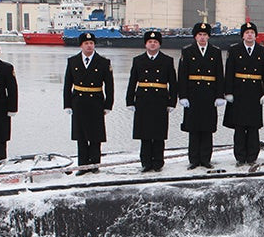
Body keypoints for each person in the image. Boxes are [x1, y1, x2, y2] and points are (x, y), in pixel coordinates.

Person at [63, 32, 114, 174]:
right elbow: (68, 84)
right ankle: (83, 165)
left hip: (96, 101)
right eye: (86, 43)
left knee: (95, 135)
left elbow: (109, 86)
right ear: (81, 45)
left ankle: (94, 164)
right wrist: (67, 104)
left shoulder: (103, 62)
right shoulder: (72, 61)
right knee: (81, 136)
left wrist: (108, 105)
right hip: (78, 101)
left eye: (91, 43)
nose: (89, 46)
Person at [126, 30, 177, 172]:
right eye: (150, 42)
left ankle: (158, 162)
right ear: (145, 44)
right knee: (145, 133)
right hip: (143, 100)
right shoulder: (138, 60)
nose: (152, 44)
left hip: (160, 100)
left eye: (155, 42)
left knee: (159, 133)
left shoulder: (167, 60)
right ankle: (146, 162)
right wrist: (130, 101)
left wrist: (172, 102)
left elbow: (173, 83)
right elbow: (132, 82)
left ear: (159, 44)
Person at [177, 22, 225, 169]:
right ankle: (194, 159)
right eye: (200, 35)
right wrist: (182, 96)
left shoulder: (215, 52)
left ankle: (205, 159)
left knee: (207, 128)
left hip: (209, 95)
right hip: (192, 95)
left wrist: (219, 95)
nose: (202, 38)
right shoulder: (187, 52)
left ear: (209, 36)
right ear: (195, 36)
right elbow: (182, 75)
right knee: (193, 128)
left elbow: (219, 75)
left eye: (205, 35)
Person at [223, 22, 264, 166]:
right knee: (239, 127)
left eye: (252, 32)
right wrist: (228, 92)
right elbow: (229, 72)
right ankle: (240, 157)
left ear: (256, 35)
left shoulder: (262, 51)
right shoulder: (234, 50)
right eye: (247, 32)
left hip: (255, 93)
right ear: (242, 35)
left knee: (253, 127)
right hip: (238, 93)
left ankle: (252, 156)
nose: (249, 35)